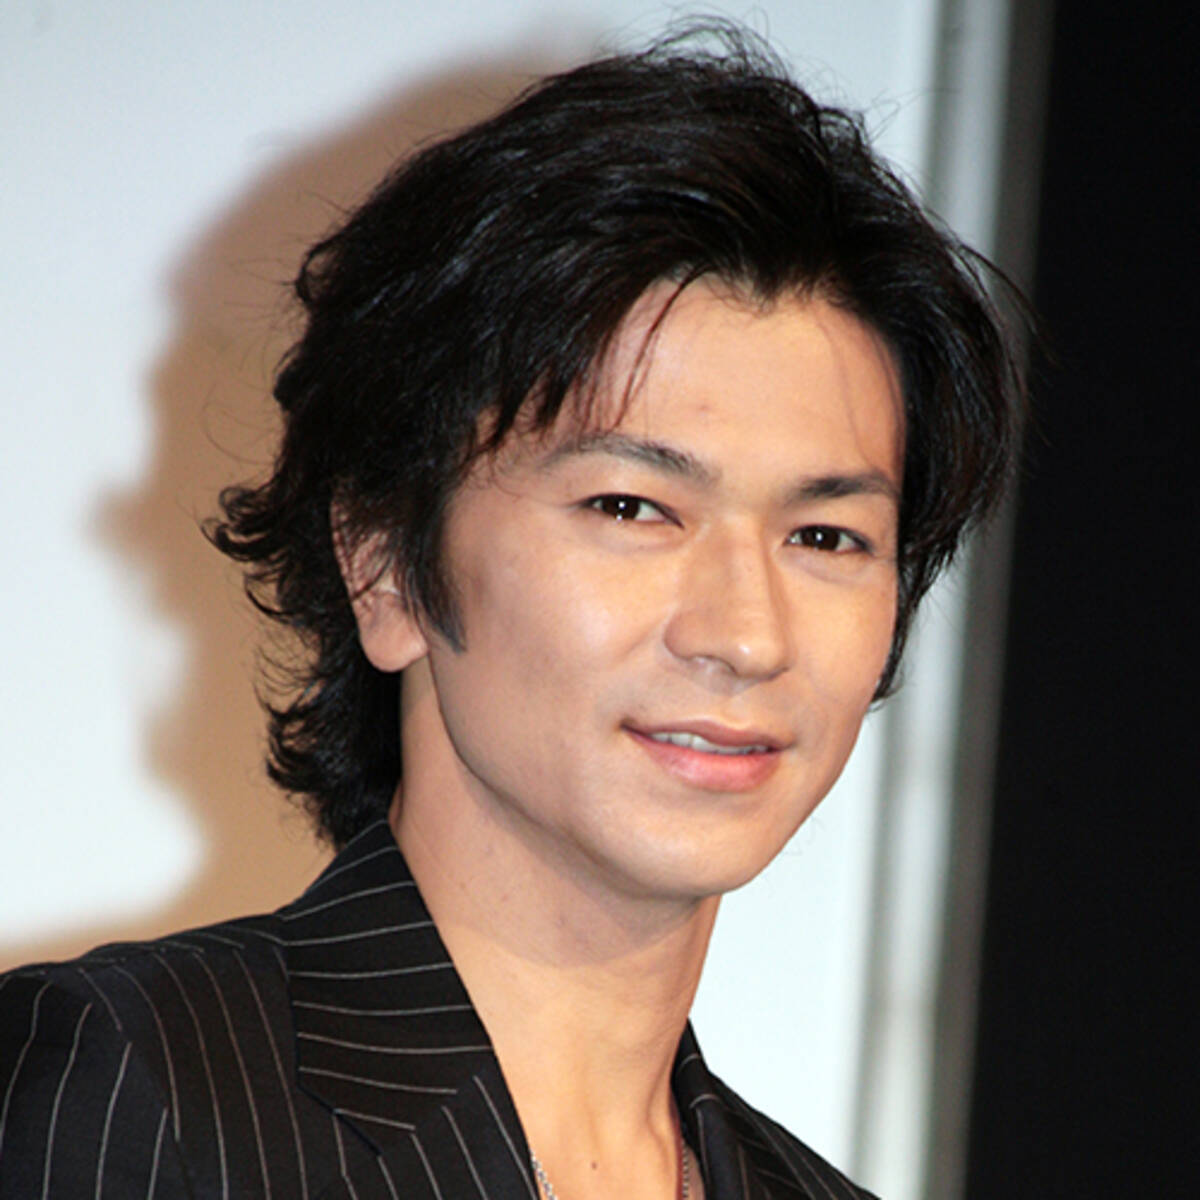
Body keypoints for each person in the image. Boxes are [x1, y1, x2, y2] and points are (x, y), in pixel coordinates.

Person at [0, 26, 1023, 1199]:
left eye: (826, 537)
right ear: (384, 562)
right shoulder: (145, 1086)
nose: (747, 635)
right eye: (632, 507)